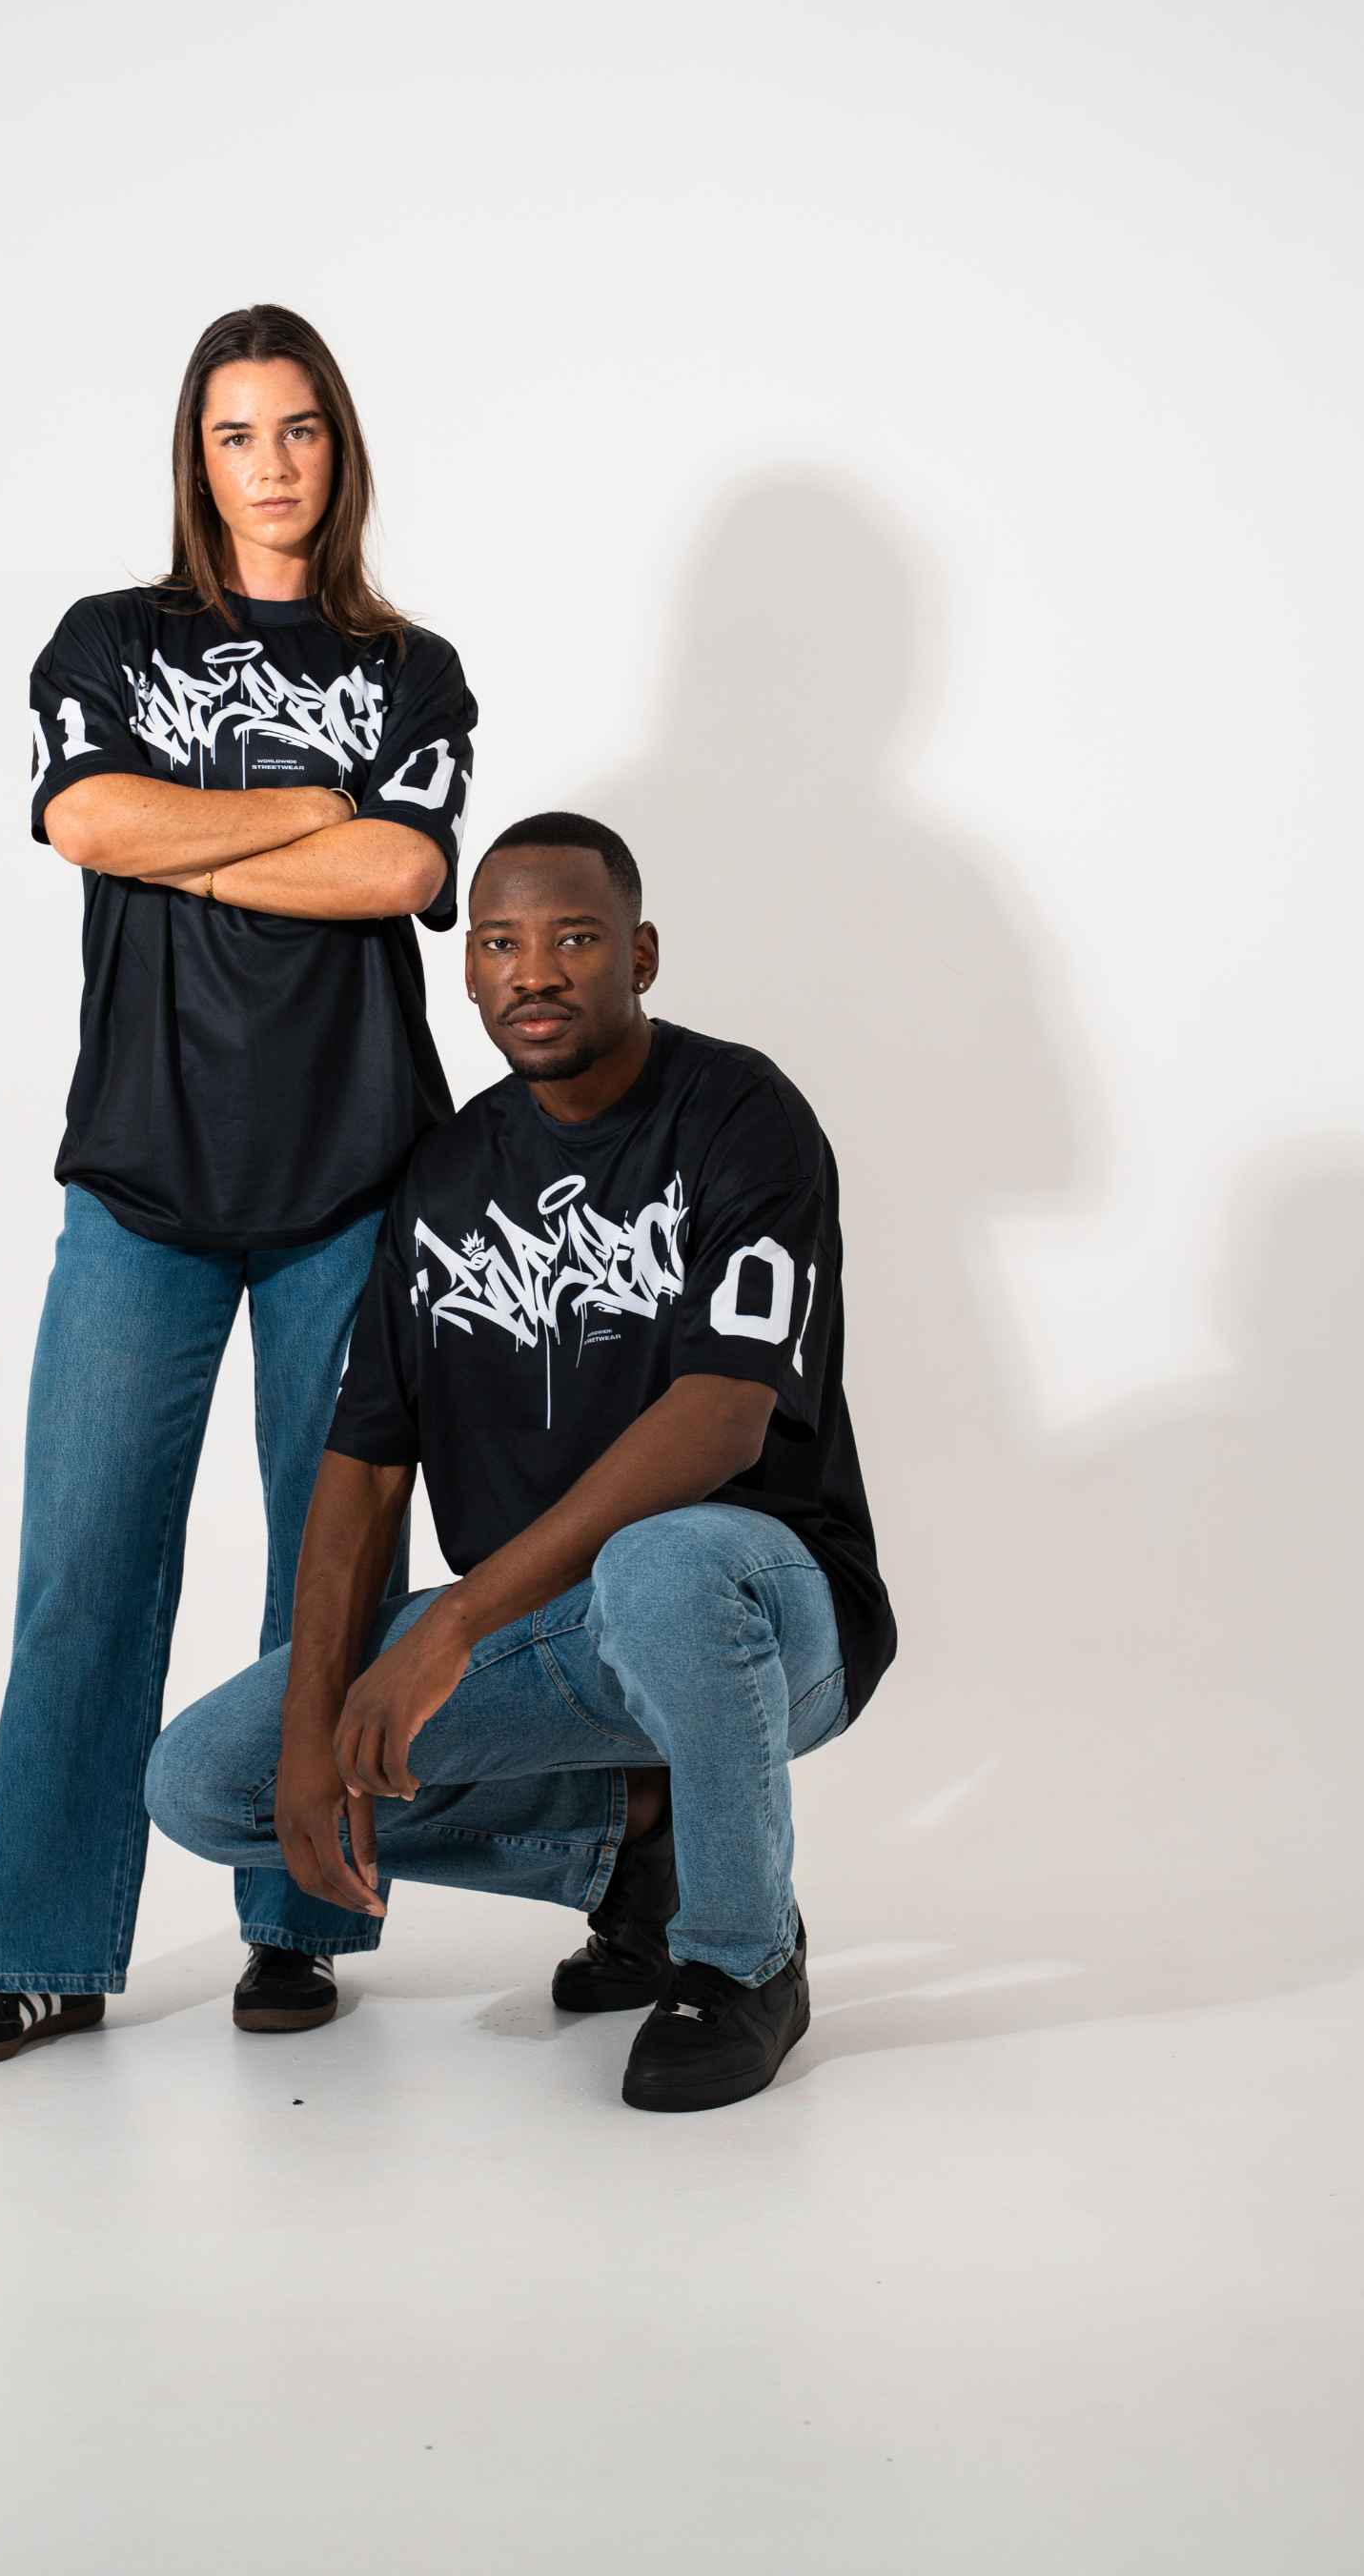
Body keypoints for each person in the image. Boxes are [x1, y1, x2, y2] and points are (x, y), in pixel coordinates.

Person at [0, 307, 477, 2064]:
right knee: (84, 1572)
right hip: (141, 1181)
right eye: (238, 434)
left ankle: (300, 1916)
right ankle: (40, 1950)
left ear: (341, 448)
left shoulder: (415, 669)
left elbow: (402, 867)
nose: (273, 463)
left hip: (354, 1182)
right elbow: (85, 822)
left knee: (329, 1576)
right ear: (197, 458)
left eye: (300, 429)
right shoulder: (107, 638)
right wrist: (300, 816)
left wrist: (214, 835)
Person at [145, 812, 896, 2111]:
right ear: (472, 971)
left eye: (573, 939)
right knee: (214, 1783)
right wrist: (324, 1713)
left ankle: (743, 1958)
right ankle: (635, 1858)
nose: (533, 971)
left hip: (765, 1611)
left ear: (642, 955)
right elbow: (365, 1470)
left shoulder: (740, 1115)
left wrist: (453, 1631)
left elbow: (721, 1417)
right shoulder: (443, 1176)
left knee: (662, 1562)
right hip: (557, 1640)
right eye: (500, 944)